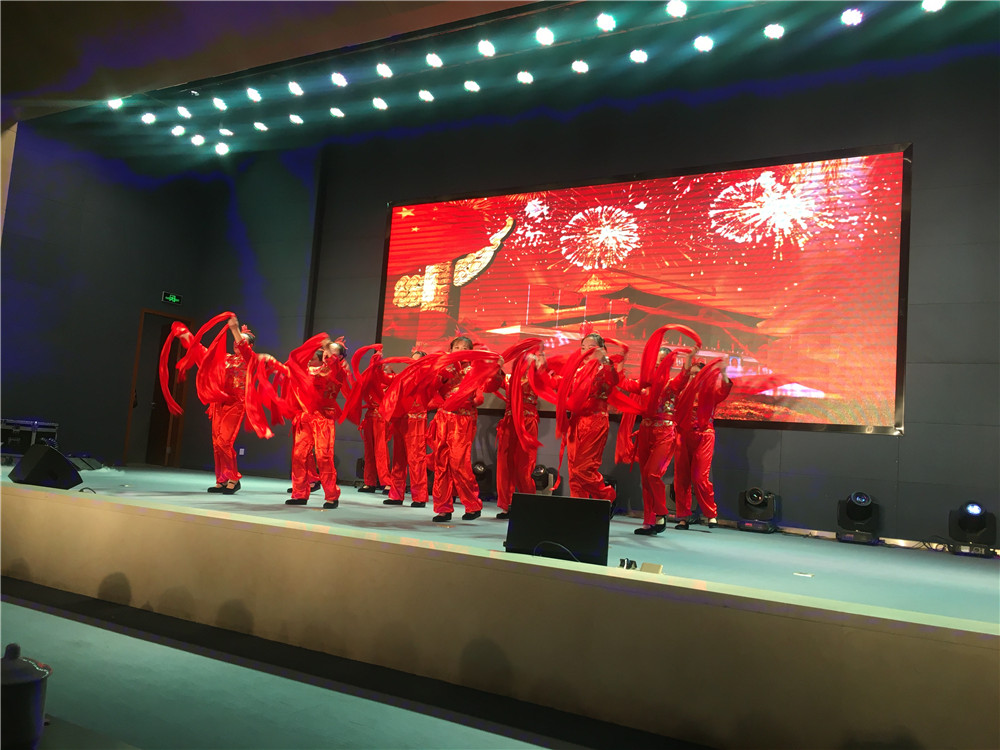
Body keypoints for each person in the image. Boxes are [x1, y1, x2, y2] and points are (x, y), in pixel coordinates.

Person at [617, 346, 694, 535]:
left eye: (662, 362)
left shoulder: (672, 385)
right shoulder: (643, 385)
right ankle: (649, 521)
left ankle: (661, 513)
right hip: (645, 432)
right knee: (645, 478)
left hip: (665, 433)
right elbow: (622, 383)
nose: (657, 365)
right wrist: (621, 359)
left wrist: (690, 358)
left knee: (653, 474)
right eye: (655, 362)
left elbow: (684, 377)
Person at [428, 335, 501, 523]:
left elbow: (489, 386)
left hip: (463, 420)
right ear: (450, 350)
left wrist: (497, 371)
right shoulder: (443, 367)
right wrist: (440, 376)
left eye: (464, 348)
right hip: (443, 419)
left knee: (459, 463)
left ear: (470, 352)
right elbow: (431, 389)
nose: (460, 350)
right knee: (441, 463)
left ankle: (472, 505)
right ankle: (443, 508)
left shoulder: (475, 370)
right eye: (456, 347)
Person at [284, 337, 351, 508]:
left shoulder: (339, 370)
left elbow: (332, 366)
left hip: (324, 418)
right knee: (299, 455)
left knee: (323, 457)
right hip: (306, 417)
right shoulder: (312, 370)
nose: (327, 351)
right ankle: (299, 493)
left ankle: (331, 495)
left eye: (332, 350)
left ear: (339, 356)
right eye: (327, 349)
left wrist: (326, 343)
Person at [673, 359, 733, 530]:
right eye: (691, 375)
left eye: (697, 375)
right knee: (681, 479)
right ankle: (683, 517)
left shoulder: (710, 392)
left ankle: (711, 514)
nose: (693, 378)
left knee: (699, 477)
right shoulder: (681, 392)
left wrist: (723, 372)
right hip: (683, 436)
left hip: (704, 436)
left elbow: (725, 389)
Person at [560, 332, 619, 502]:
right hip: (576, 423)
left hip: (595, 422)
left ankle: (607, 496)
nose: (586, 352)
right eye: (583, 348)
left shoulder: (604, 369)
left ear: (601, 350)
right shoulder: (577, 372)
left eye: (591, 348)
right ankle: (579, 509)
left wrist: (605, 360)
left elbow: (613, 380)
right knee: (573, 473)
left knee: (582, 469)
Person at [494, 346, 547, 519]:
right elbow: (491, 384)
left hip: (527, 424)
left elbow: (545, 380)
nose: (527, 366)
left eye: (530, 363)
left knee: (525, 465)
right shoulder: (509, 379)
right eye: (524, 362)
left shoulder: (535, 380)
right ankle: (506, 505)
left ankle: (527, 505)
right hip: (509, 424)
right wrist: (497, 367)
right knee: (505, 465)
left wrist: (541, 363)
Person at [383, 351, 431, 508]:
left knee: (416, 459)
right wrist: (378, 367)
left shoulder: (428, 378)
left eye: (417, 361)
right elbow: (387, 381)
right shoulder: (403, 377)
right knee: (398, 459)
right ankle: (396, 494)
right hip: (401, 420)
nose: (413, 364)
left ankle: (419, 496)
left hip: (416, 420)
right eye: (411, 360)